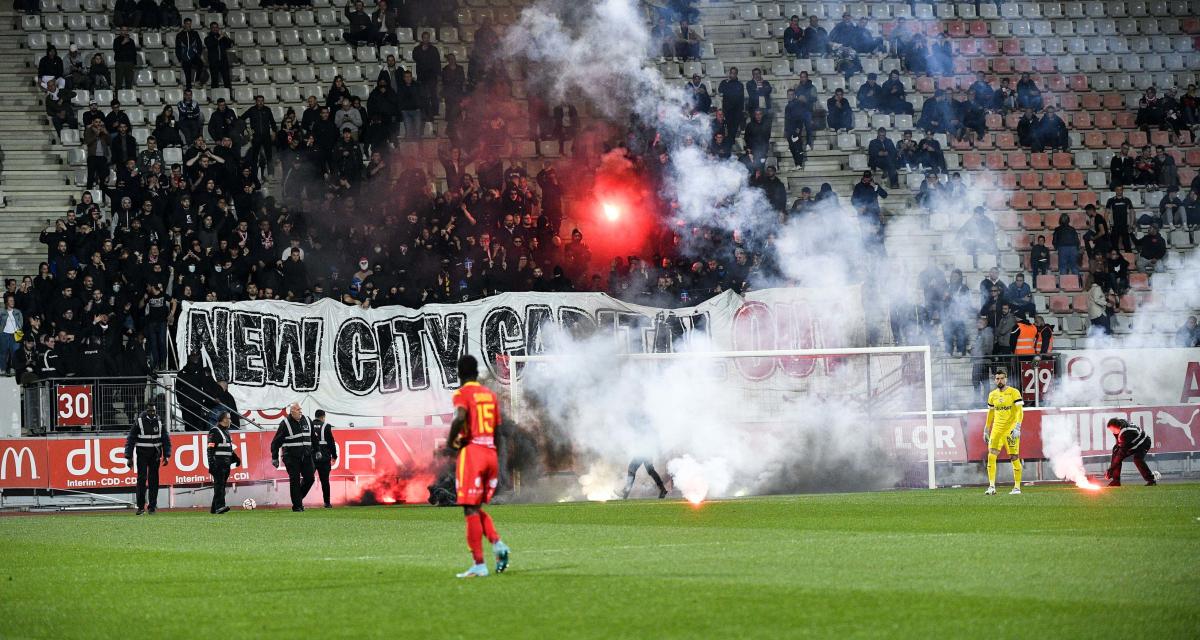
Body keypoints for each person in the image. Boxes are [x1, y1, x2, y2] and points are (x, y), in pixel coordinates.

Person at [446, 355, 511, 578]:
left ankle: (479, 564)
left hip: (472, 453)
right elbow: (497, 431)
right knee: (475, 507)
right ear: (476, 372)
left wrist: (450, 441)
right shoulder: (490, 395)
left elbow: (459, 417)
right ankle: (498, 545)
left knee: (469, 508)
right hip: (490, 453)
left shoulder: (461, 394)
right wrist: (497, 459)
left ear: (459, 373)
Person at [123, 403, 171, 515]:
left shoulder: (159, 421)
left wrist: (167, 455)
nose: (152, 413)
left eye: (153, 411)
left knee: (154, 481)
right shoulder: (139, 421)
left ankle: (152, 507)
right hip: (142, 454)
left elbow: (165, 439)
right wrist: (129, 457)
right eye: (150, 411)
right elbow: (131, 439)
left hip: (155, 455)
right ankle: (140, 507)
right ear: (146, 411)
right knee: (141, 479)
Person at [983, 369, 1023, 496]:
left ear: (1006, 379)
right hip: (996, 430)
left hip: (1010, 430)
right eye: (997, 378)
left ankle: (1017, 487)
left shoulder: (1014, 392)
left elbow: (1020, 411)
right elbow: (990, 413)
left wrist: (1017, 427)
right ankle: (991, 486)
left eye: (1002, 378)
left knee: (1014, 457)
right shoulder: (992, 395)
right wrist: (986, 429)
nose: (999, 380)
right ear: (995, 380)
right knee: (991, 455)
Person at [270, 402, 316, 512]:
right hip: (291, 457)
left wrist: (317, 450)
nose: (300, 411)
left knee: (310, 478)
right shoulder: (285, 423)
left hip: (306, 456)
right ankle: (297, 506)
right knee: (294, 480)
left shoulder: (308, 421)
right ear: (292, 411)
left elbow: (313, 437)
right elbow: (275, 442)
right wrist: (274, 457)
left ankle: (298, 499)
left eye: (300, 409)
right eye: (297, 409)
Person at [1104, 418, 1156, 487]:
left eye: (1113, 430)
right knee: (1115, 451)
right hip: (1132, 442)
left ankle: (1151, 480)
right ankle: (1116, 481)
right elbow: (1119, 445)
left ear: (1118, 427)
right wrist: (1111, 469)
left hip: (1143, 443)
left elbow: (1122, 452)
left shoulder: (1126, 432)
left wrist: (1111, 469)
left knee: (1137, 459)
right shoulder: (1119, 426)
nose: (1112, 431)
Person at [206, 410, 239, 514]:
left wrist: (236, 459)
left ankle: (214, 509)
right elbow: (210, 449)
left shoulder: (226, 431)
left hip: (226, 464)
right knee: (219, 486)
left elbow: (228, 448)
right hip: (218, 464)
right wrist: (211, 464)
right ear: (224, 419)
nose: (230, 420)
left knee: (221, 486)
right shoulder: (214, 431)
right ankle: (220, 507)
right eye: (229, 418)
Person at [310, 409, 338, 509]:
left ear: (315, 416)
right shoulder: (326, 426)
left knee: (307, 479)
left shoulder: (309, 425)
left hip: (311, 457)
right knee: (325, 481)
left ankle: (298, 500)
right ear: (323, 417)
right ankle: (327, 502)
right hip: (324, 458)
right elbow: (331, 443)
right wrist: (334, 456)